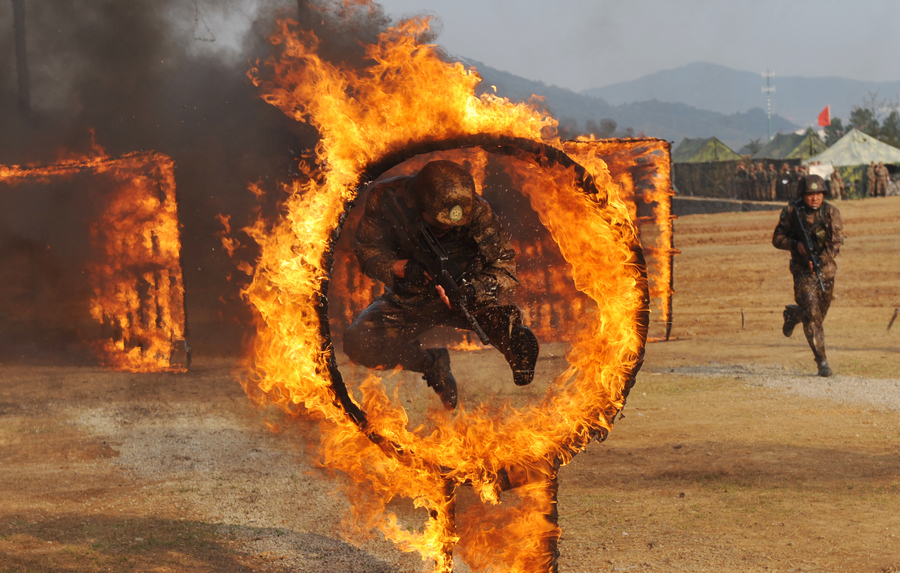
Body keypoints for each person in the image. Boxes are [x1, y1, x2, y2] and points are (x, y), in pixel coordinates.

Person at [343, 160, 540, 410]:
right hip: (409, 298)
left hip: (463, 293)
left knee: (507, 330)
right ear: (419, 204)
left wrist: (472, 291)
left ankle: (512, 341)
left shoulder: (477, 211)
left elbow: (504, 265)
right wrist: (401, 268)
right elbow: (366, 250)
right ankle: (431, 363)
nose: (446, 228)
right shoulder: (388, 199)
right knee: (359, 342)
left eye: (452, 225)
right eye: (439, 223)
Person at [772, 174, 844, 377]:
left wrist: (821, 258)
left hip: (826, 271)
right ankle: (822, 362)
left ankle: (793, 314)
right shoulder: (792, 212)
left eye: (818, 193)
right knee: (812, 315)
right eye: (810, 194)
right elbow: (777, 238)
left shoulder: (831, 212)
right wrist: (797, 246)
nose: (814, 198)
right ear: (802, 195)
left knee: (818, 316)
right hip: (802, 272)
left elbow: (836, 241)